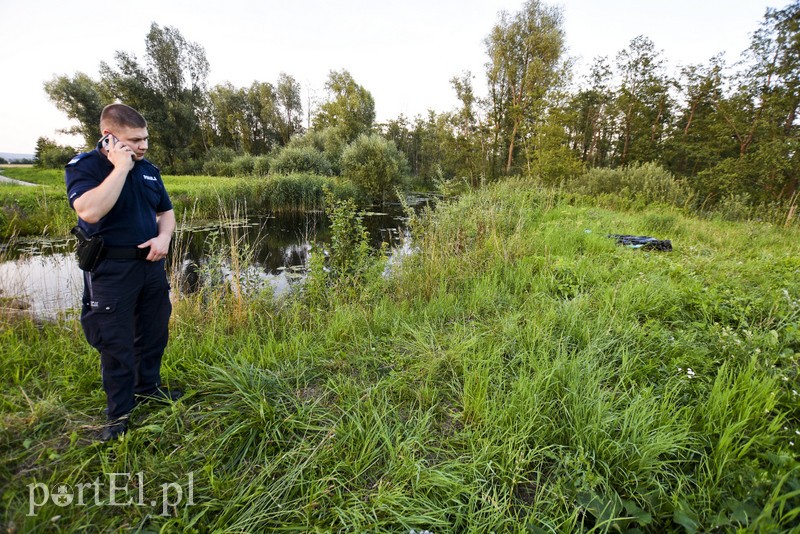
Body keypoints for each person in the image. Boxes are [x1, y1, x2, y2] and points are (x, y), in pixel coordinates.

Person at [65, 103, 182, 441]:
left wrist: (164, 237)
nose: (143, 146)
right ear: (109, 137)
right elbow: (89, 211)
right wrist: (119, 168)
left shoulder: (150, 171)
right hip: (111, 270)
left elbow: (167, 212)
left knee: (154, 331)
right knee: (116, 343)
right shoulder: (86, 167)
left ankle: (149, 388)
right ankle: (118, 414)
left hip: (150, 266)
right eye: (134, 140)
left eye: (145, 138)